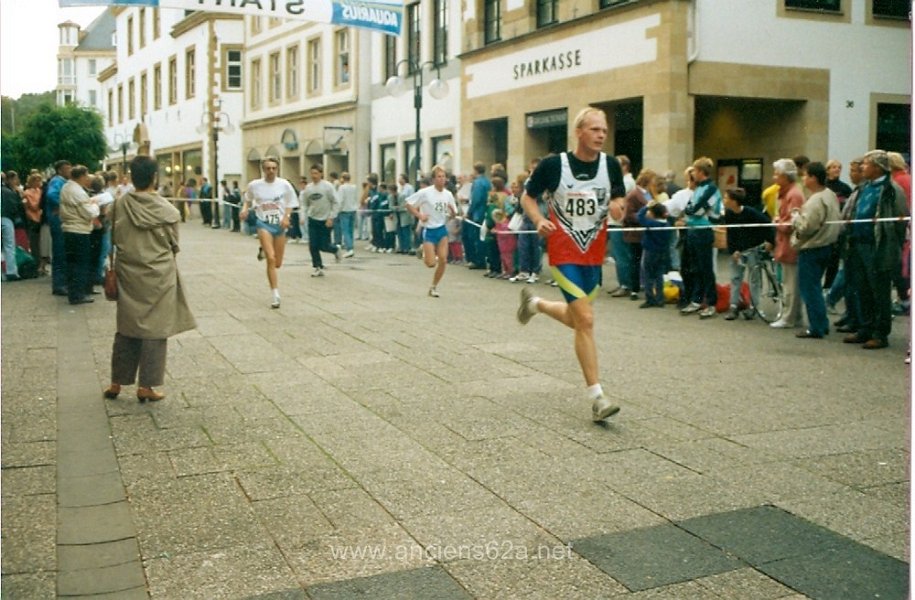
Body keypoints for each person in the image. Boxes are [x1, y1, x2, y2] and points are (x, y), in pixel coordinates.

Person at [516, 107, 626, 422]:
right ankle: (597, 397)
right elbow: (528, 197)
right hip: (563, 252)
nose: (601, 135)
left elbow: (618, 199)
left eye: (604, 130)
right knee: (587, 321)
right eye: (594, 129)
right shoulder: (554, 165)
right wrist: (538, 219)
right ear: (579, 132)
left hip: (593, 252)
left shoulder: (611, 166)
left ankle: (535, 304)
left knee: (577, 319)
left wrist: (618, 207)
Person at [103, 155, 196, 403]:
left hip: (128, 273)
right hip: (158, 275)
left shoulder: (119, 205)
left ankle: (116, 382)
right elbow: (174, 245)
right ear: (155, 177)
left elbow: (113, 238)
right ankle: (147, 386)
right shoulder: (167, 210)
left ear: (131, 176)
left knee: (126, 326)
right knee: (155, 329)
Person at [842, 150, 908, 349]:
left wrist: (890, 245)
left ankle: (880, 333)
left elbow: (899, 220)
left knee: (878, 290)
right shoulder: (864, 188)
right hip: (858, 243)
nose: (862, 167)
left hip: (878, 246)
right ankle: (865, 328)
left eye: (867, 164)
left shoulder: (891, 189)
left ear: (878, 167)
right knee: (862, 288)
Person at [792, 162, 842, 339]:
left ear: (813, 177)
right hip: (827, 245)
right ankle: (821, 323)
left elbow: (807, 226)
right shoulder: (830, 195)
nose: (803, 179)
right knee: (815, 287)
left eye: (805, 176)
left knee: (809, 288)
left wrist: (796, 217)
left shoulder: (815, 200)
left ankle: (816, 327)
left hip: (812, 247)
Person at [241, 156, 298, 307]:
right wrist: (245, 210)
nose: (271, 171)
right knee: (271, 259)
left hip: (279, 225)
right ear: (263, 169)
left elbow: (291, 202)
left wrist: (287, 217)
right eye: (268, 168)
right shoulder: (255, 185)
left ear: (277, 169)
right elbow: (247, 199)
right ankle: (275, 295)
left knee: (278, 263)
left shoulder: (284, 185)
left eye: (273, 168)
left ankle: (263, 250)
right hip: (263, 223)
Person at [721, 187, 774, 321]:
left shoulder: (751, 213)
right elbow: (730, 233)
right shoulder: (729, 214)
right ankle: (733, 305)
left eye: (726, 197)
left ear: (734, 201)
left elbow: (766, 224)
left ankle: (753, 306)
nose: (724, 200)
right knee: (735, 278)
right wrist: (733, 250)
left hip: (752, 249)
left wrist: (770, 241)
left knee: (754, 278)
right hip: (737, 251)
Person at [679, 157, 723, 319]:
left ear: (701, 172)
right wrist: (689, 211)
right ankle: (696, 300)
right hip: (692, 230)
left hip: (703, 230)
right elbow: (688, 207)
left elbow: (696, 210)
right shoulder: (699, 188)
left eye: (695, 171)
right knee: (694, 267)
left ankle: (711, 302)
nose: (693, 175)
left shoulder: (711, 189)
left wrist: (690, 211)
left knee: (705, 267)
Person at [406, 165, 458, 297]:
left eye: (443, 177)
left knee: (443, 259)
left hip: (441, 230)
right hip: (429, 230)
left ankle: (433, 286)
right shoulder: (425, 192)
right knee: (430, 264)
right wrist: (420, 216)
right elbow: (409, 204)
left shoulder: (448, 194)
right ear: (433, 179)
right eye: (439, 177)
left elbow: (453, 214)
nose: (441, 179)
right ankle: (423, 248)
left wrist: (452, 213)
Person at [768, 159, 805, 329]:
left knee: (791, 284)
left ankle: (789, 317)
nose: (774, 177)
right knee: (789, 283)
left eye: (777, 174)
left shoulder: (793, 195)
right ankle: (793, 316)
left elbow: (792, 223)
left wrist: (777, 223)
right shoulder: (785, 193)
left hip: (790, 245)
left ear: (786, 176)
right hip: (784, 244)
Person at [59, 165, 100, 304]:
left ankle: (74, 293)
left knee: (71, 264)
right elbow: (90, 213)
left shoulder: (66, 187)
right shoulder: (78, 192)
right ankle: (78, 295)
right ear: (81, 176)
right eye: (87, 176)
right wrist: (95, 205)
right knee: (80, 263)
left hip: (68, 229)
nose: (88, 179)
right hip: (79, 230)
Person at [301, 163, 342, 276]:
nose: (314, 176)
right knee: (313, 245)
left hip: (325, 220)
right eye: (312, 173)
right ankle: (318, 267)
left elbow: (336, 202)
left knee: (324, 245)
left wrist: (331, 217)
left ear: (321, 174)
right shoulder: (308, 188)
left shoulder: (328, 186)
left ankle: (335, 249)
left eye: (316, 173)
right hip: (313, 219)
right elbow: (304, 204)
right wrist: (303, 216)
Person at [636, 202, 671, 308]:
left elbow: (639, 217)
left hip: (650, 251)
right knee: (659, 275)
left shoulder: (652, 224)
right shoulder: (667, 224)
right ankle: (660, 298)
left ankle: (650, 298)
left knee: (648, 274)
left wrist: (646, 206)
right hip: (663, 251)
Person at [46, 160, 72, 295]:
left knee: (62, 251)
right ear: (60, 170)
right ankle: (59, 284)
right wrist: (63, 205)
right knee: (60, 252)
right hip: (58, 220)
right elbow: (51, 195)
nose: (70, 171)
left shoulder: (62, 181)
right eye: (67, 169)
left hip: (59, 219)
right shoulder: (58, 181)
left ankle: (62, 283)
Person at [1, 172, 22, 281]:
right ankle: (11, 272)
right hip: (6, 219)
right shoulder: (9, 192)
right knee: (9, 246)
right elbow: (15, 207)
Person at [22, 172, 44, 269]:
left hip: (40, 218)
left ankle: (41, 265)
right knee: (34, 243)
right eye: (37, 180)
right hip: (33, 218)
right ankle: (36, 264)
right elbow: (34, 206)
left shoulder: (40, 191)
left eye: (40, 180)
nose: (39, 182)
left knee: (41, 243)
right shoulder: (27, 193)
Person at [336, 172, 358, 257]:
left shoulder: (342, 188)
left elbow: (340, 200)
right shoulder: (354, 187)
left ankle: (349, 248)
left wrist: (338, 210)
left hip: (344, 210)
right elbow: (355, 198)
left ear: (342, 178)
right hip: (353, 210)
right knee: (351, 230)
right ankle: (351, 245)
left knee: (345, 230)